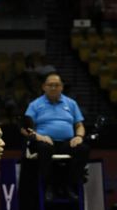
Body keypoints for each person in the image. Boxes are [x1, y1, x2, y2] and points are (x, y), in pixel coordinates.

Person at [21, 72, 88, 202]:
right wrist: (38, 136)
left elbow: (79, 125)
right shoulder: (35, 105)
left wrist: (79, 136)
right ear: (44, 87)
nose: (53, 88)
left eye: (56, 85)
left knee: (83, 149)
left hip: (66, 142)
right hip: (44, 142)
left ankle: (69, 184)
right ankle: (49, 186)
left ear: (62, 87)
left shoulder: (71, 103)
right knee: (44, 149)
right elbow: (24, 128)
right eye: (50, 85)